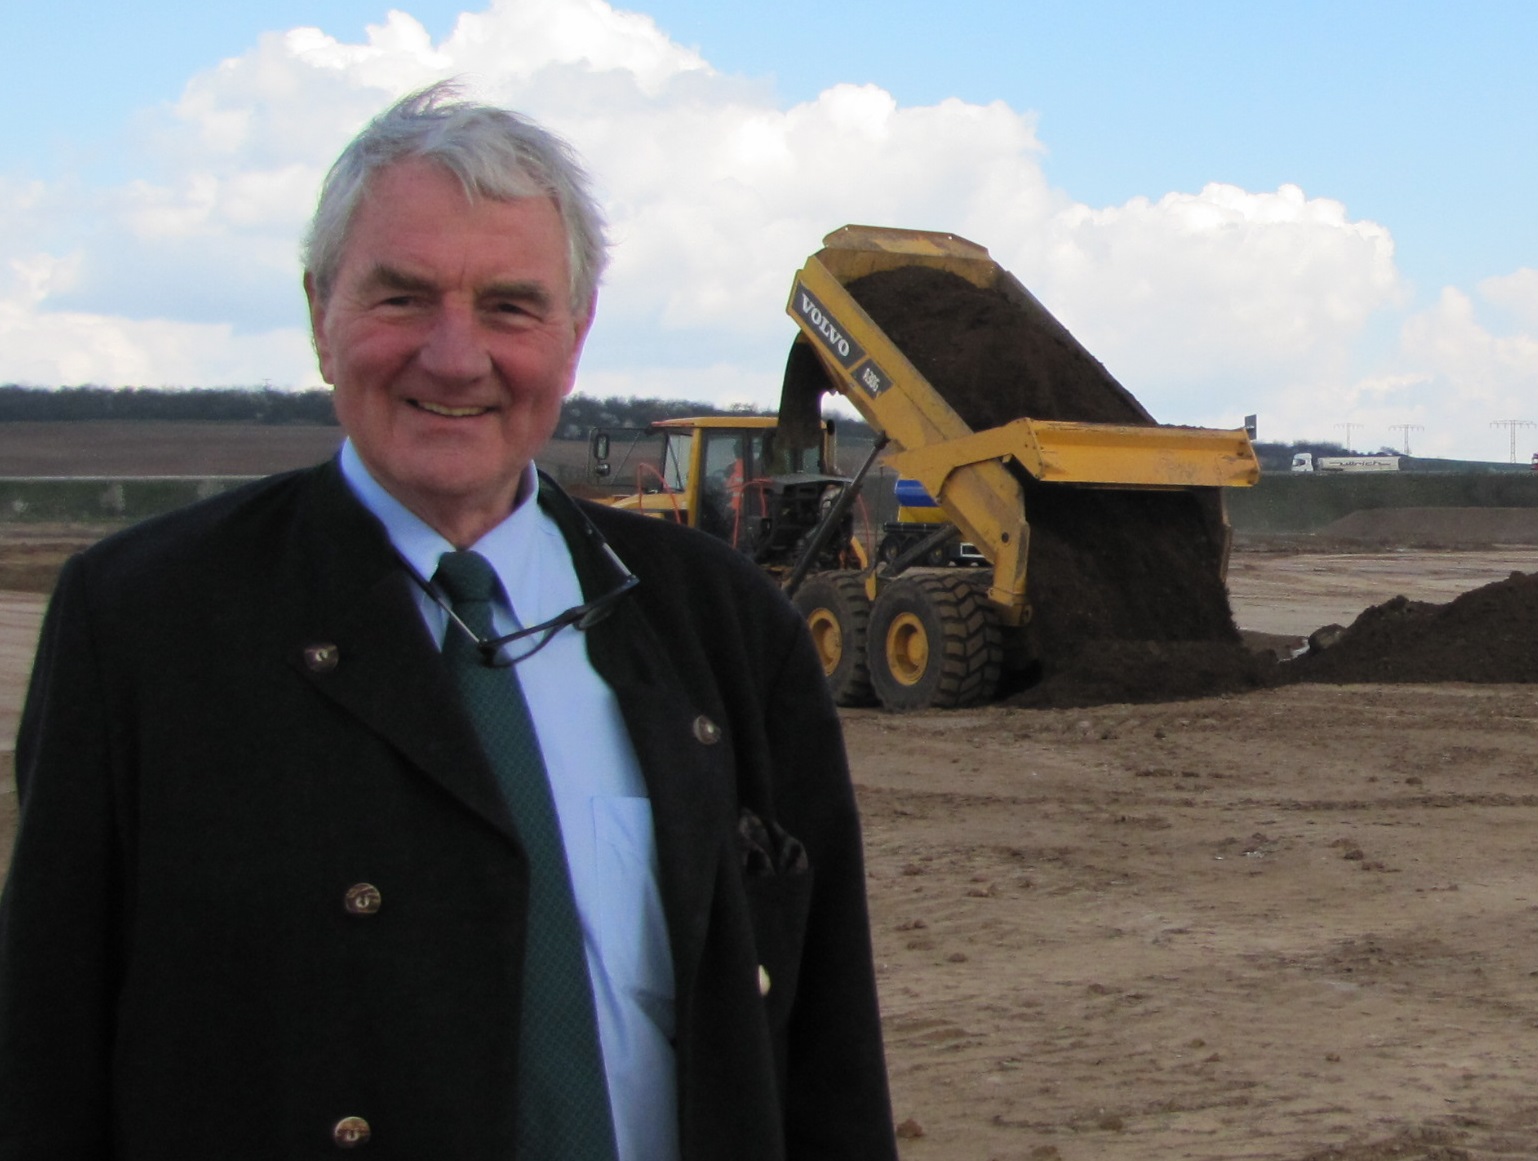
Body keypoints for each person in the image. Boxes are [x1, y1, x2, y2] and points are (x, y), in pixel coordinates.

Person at [0, 82, 897, 1160]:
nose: (456, 357)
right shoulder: (143, 624)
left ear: (573, 336)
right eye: (402, 299)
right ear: (319, 315)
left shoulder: (724, 628)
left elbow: (826, 1059)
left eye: (510, 306)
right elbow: (43, 1058)